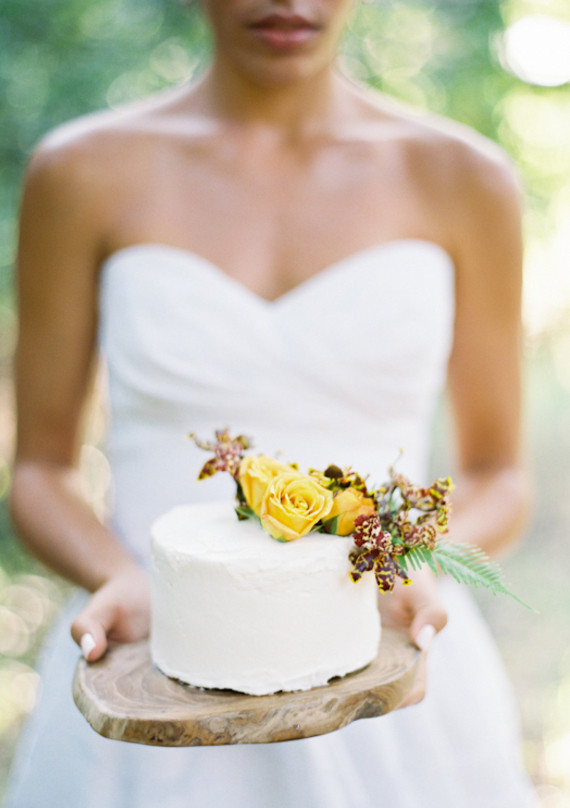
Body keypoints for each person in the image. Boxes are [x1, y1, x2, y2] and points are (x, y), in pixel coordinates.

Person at [5, 1, 537, 806]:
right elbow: (40, 471)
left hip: (389, 666)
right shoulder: (81, 171)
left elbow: (501, 473)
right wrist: (122, 578)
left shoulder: (465, 178)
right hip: (154, 666)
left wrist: (413, 571)